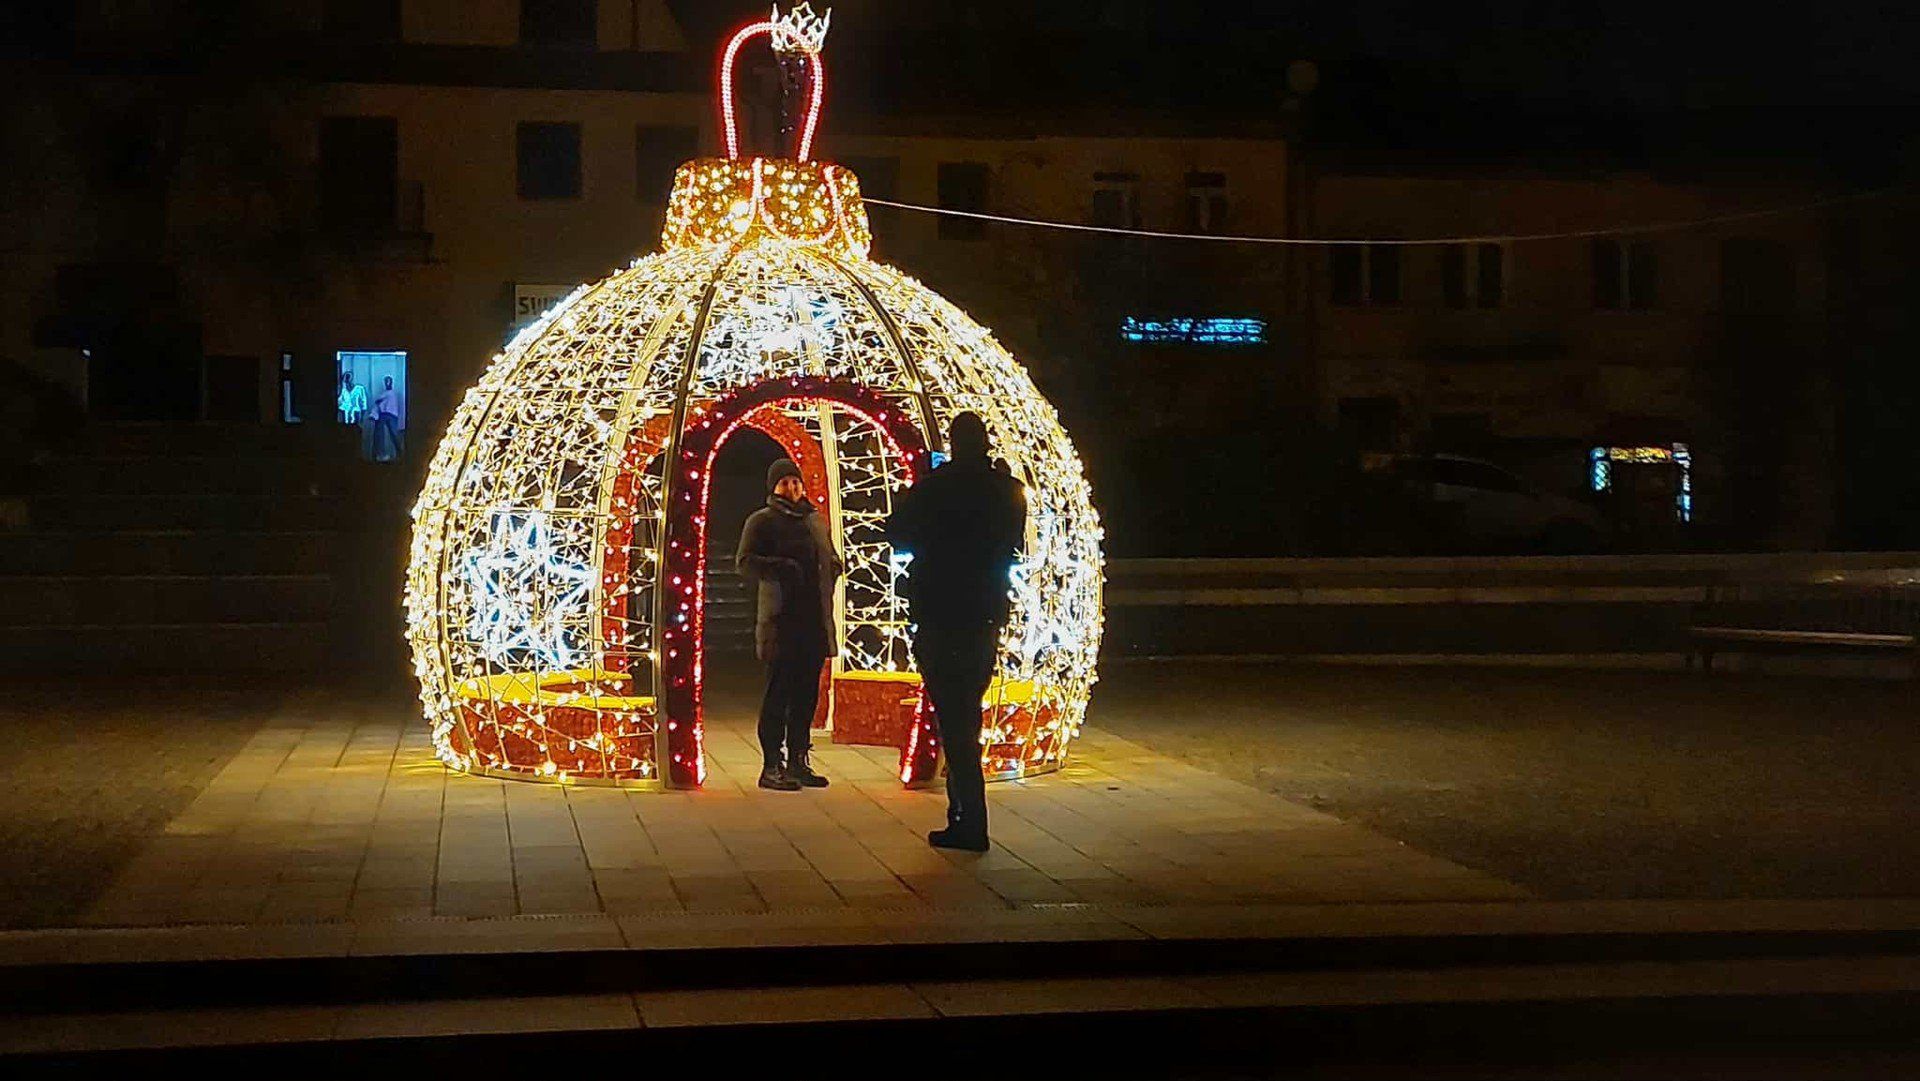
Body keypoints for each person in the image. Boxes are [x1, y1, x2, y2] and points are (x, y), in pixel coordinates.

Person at [886, 412, 1025, 851]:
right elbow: (1013, 541)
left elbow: (897, 534)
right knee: (968, 713)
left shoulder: (936, 487)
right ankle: (966, 817)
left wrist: (919, 490)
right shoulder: (1006, 489)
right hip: (985, 614)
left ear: (953, 442)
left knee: (955, 721)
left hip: (942, 613)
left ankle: (968, 821)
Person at [736, 458, 843, 791]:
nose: (792, 489)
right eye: (785, 483)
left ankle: (798, 760)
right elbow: (745, 562)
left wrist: (836, 566)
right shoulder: (762, 521)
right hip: (781, 622)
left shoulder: (815, 521)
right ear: (774, 487)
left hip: (813, 621)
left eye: (795, 482)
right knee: (777, 695)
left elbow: (830, 555)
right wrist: (780, 568)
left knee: (805, 696)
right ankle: (771, 765)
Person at [371, 376, 403, 461]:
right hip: (385, 414)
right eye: (386, 382)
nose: (387, 383)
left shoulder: (392, 394)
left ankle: (400, 454)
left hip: (391, 415)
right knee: (380, 433)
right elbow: (378, 403)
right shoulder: (386, 393)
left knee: (393, 434)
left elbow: (379, 401)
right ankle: (380, 454)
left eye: (389, 382)